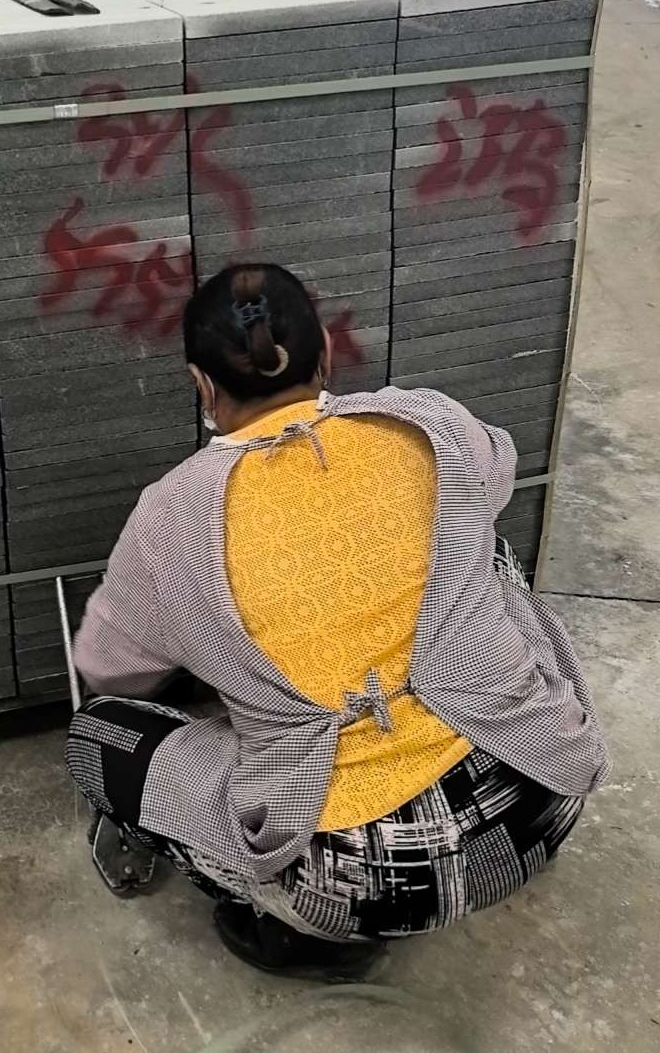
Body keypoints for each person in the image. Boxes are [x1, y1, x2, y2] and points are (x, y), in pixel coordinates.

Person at [67, 263, 609, 976]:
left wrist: (224, 646)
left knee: (100, 735)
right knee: (484, 547)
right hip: (541, 785)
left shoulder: (171, 518)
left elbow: (108, 668)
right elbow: (498, 468)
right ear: (326, 349)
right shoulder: (426, 421)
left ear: (201, 385)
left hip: (359, 882)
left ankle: (300, 937)